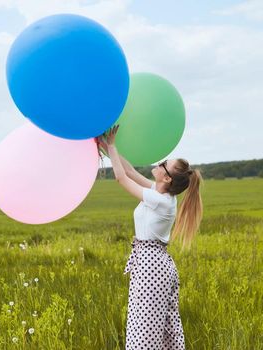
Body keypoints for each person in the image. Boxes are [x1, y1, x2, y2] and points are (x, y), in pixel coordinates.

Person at [96, 125, 203, 350]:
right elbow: (131, 172)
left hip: (152, 268)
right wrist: (105, 147)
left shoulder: (161, 201)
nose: (160, 162)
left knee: (144, 334)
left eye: (165, 164)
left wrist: (113, 146)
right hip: (150, 265)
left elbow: (121, 179)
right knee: (145, 331)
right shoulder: (161, 193)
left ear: (166, 178)